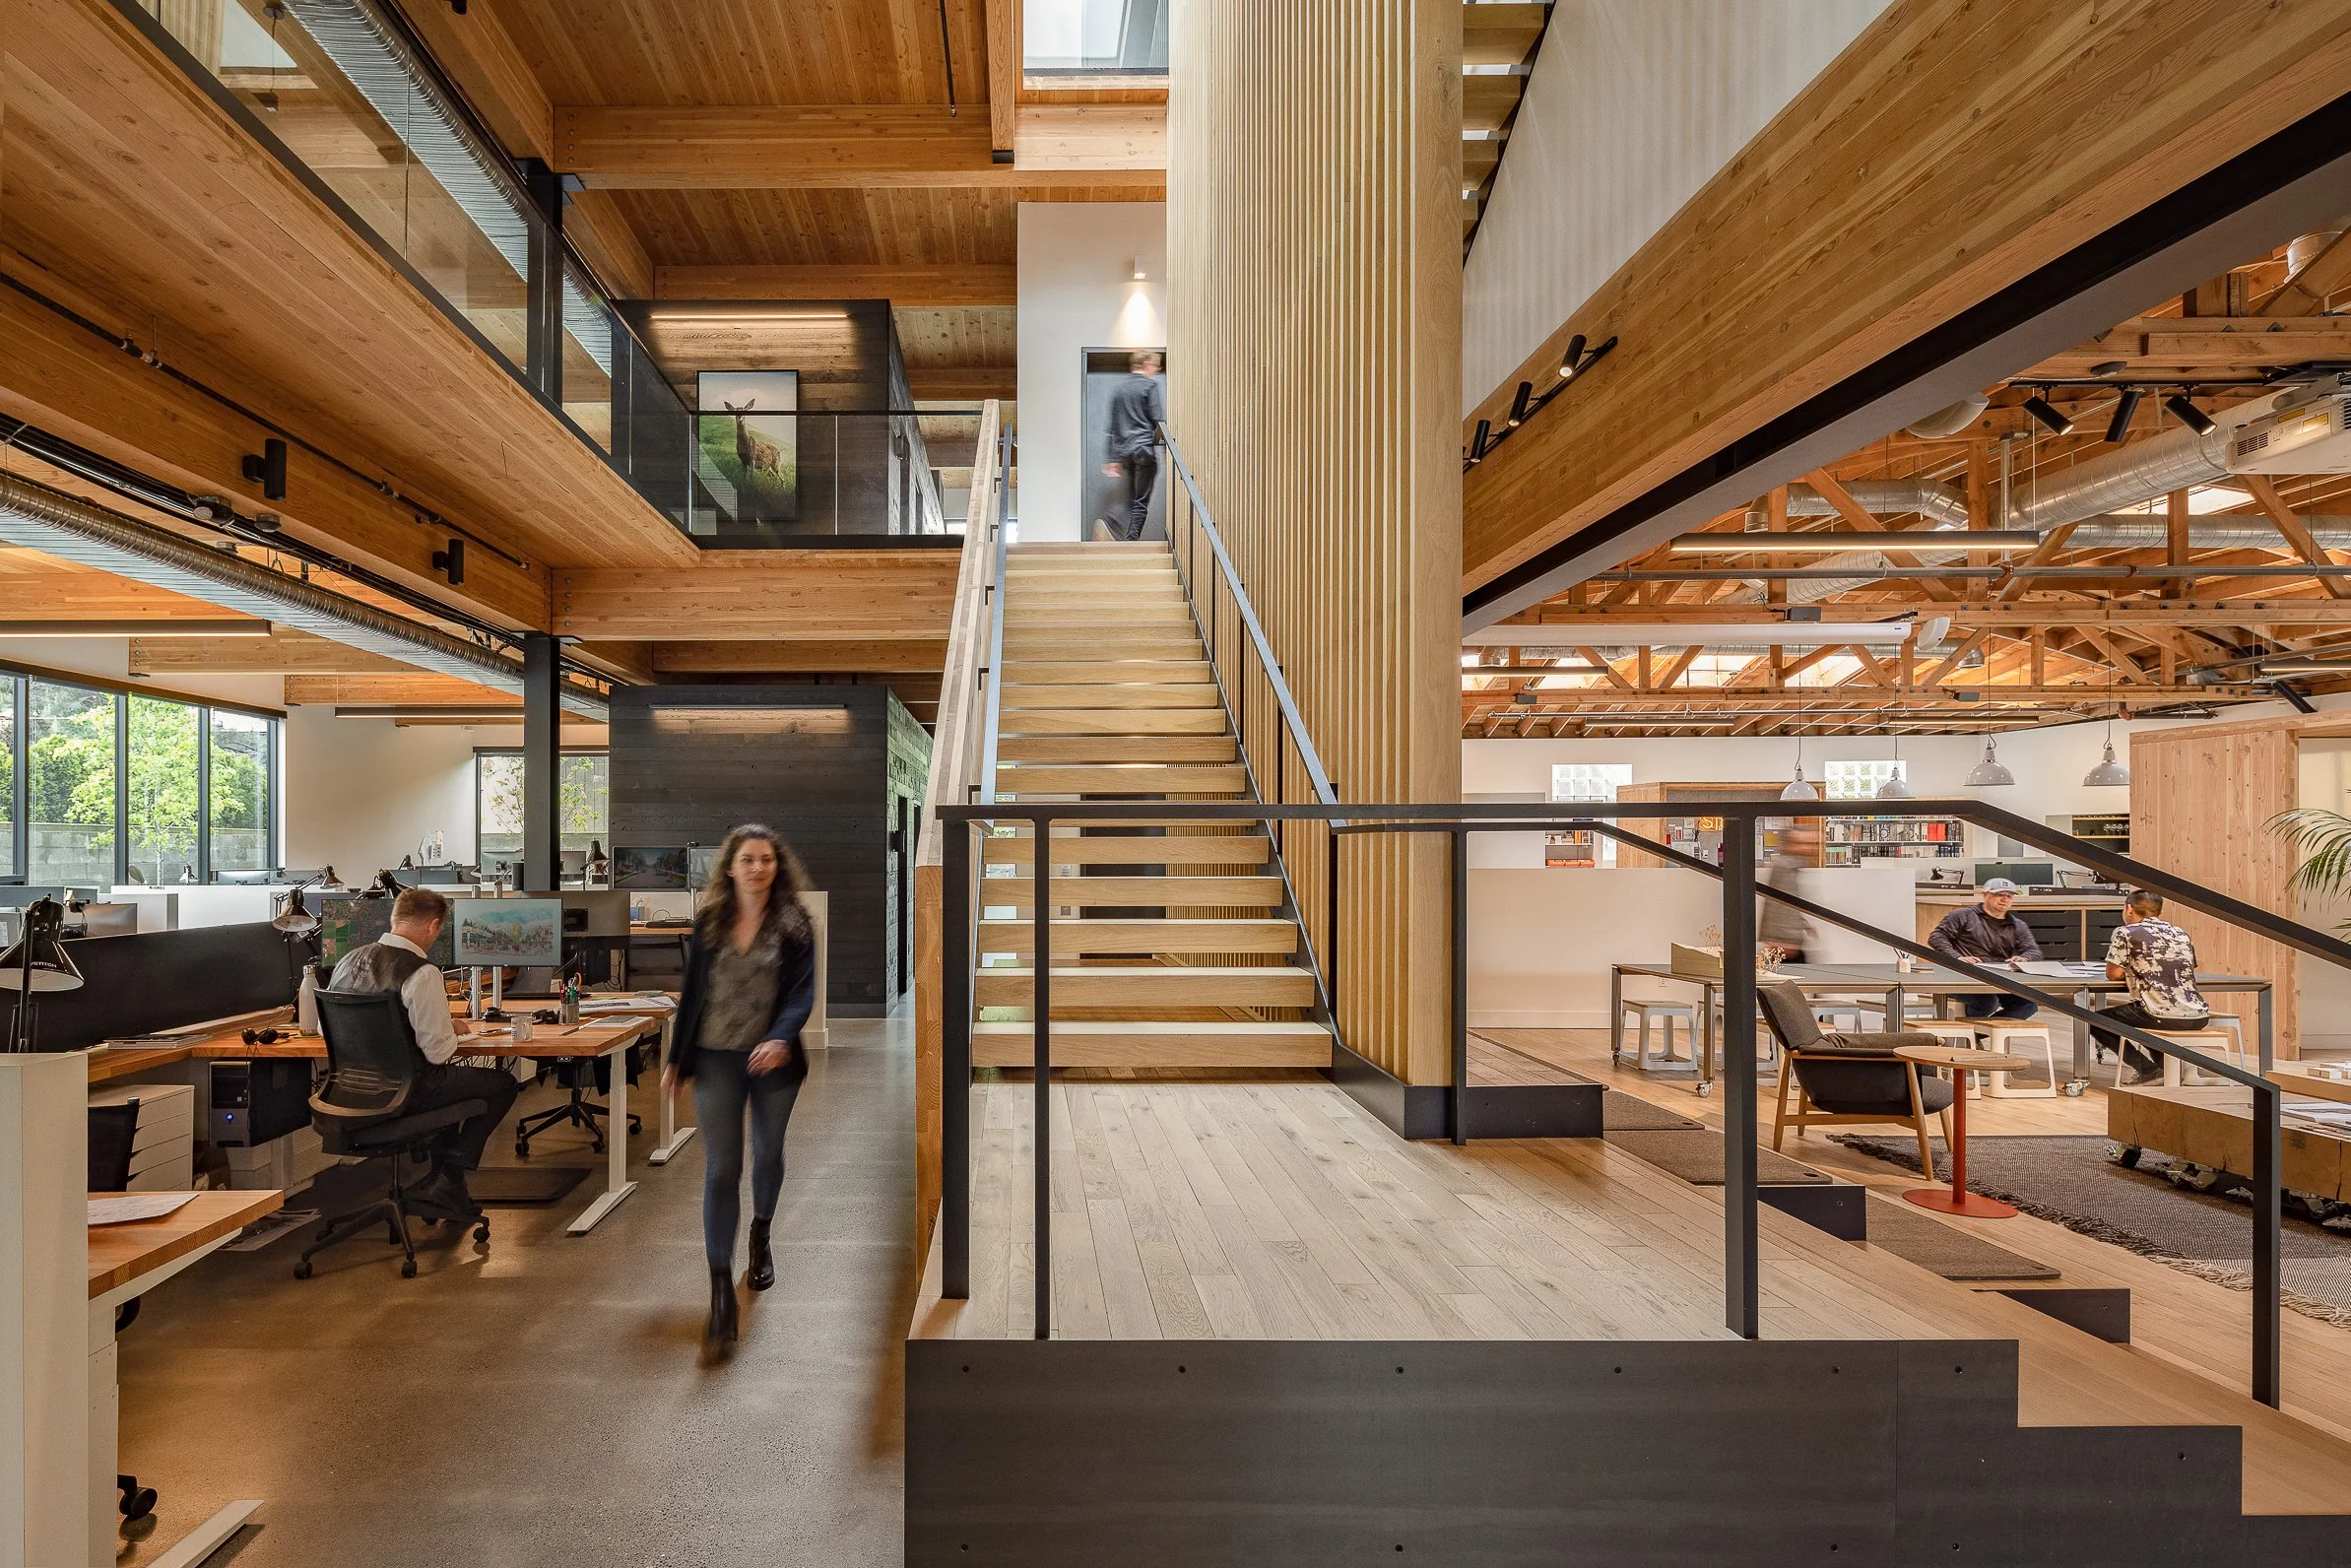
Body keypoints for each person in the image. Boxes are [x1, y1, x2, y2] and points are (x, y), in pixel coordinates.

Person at [663, 824, 817, 1351]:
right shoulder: (710, 921)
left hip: (774, 1060)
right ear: (730, 867)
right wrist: (676, 1061)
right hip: (715, 1059)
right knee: (722, 1168)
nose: (757, 868)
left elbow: (801, 995)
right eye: (748, 859)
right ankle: (719, 1290)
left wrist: (780, 1037)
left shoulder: (795, 923)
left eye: (766, 859)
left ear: (778, 865)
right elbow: (692, 995)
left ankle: (761, 1234)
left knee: (768, 1154)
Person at [325, 886, 518, 1216]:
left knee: (456, 1090)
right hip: (409, 1093)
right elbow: (438, 1053)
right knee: (503, 1085)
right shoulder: (421, 972)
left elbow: (325, 1029)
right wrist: (448, 1028)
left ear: (394, 918)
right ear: (433, 925)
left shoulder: (347, 961)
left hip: (349, 1093)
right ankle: (449, 1175)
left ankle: (446, 1187)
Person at [2096, 888, 2210, 1084]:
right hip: (2198, 1015)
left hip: (2159, 1015)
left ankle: (2149, 1071)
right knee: (2145, 1016)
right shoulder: (2181, 933)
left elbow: (2113, 974)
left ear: (2129, 908)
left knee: (2097, 1021)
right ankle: (2167, 1071)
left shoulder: (2126, 932)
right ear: (2158, 910)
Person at [1927, 877, 2041, 1020]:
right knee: (1987, 1002)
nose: (2004, 899)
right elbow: (1936, 938)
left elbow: (2033, 950)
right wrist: (1958, 958)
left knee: (2028, 1005)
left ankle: (1978, 1032)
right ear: (1985, 895)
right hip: (1962, 977)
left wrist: (2024, 958)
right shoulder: (1962, 915)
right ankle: (1972, 1031)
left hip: (1998, 979)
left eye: (2009, 896)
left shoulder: (2018, 925)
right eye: (1999, 894)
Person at [1099, 350, 1166, 541]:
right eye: (1155, 365)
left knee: (1131, 498)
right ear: (1146, 364)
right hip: (1144, 449)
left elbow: (1112, 427)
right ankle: (1129, 539)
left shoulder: (1119, 389)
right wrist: (1163, 448)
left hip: (1125, 452)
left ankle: (1111, 523)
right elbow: (1158, 420)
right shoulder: (1150, 386)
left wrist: (1113, 458)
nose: (1156, 370)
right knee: (1140, 501)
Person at [1758, 819, 1819, 963]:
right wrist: (1780, 940)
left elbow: (1790, 903)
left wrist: (1803, 925)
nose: (1808, 848)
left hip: (1788, 941)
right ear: (1789, 844)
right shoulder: (1785, 867)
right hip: (1785, 944)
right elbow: (1775, 905)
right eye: (1803, 843)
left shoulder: (1793, 867)